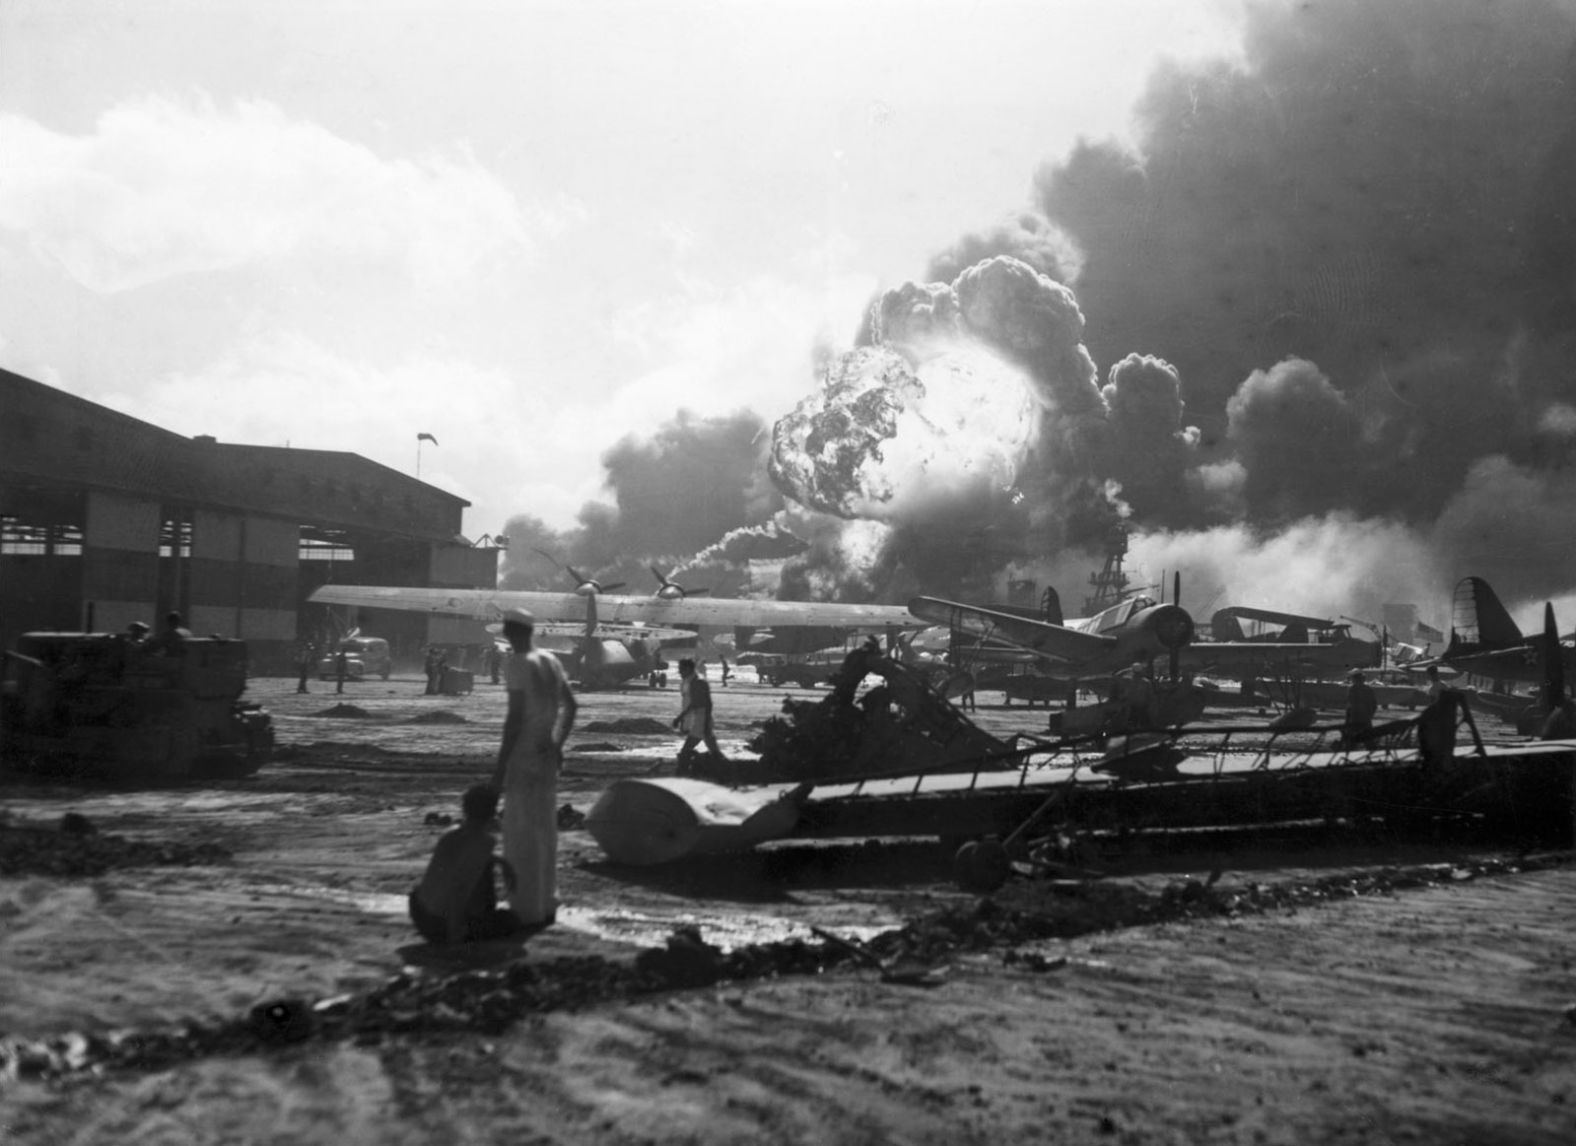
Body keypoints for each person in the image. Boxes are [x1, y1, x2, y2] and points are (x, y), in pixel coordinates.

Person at [490, 607, 577, 927]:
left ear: (511, 632)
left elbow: (513, 720)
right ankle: (546, 902)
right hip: (545, 754)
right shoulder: (551, 662)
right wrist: (557, 743)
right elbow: (571, 706)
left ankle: (525, 907)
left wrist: (500, 768)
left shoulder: (516, 663)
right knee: (544, 829)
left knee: (521, 830)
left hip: (524, 753)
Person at [408, 784, 521, 946]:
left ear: (465, 809)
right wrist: (455, 936)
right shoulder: (484, 842)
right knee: (510, 920)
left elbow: (461, 859)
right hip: (442, 926)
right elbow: (458, 890)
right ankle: (476, 918)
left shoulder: (450, 836)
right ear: (492, 812)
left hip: (422, 914)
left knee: (484, 865)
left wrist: (501, 861)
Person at [674, 658, 726, 774]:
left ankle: (681, 773)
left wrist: (680, 718)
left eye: (681, 670)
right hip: (700, 719)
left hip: (701, 720)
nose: (680, 672)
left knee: (686, 750)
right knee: (714, 750)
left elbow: (704, 703)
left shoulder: (698, 683)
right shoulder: (689, 682)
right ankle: (726, 769)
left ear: (688, 669)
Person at [1345, 669, 1378, 741]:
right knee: (1366, 736)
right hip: (1360, 716)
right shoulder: (1366, 689)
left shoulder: (1353, 689)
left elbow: (1350, 702)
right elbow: (1374, 704)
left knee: (1356, 736)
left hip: (1358, 716)